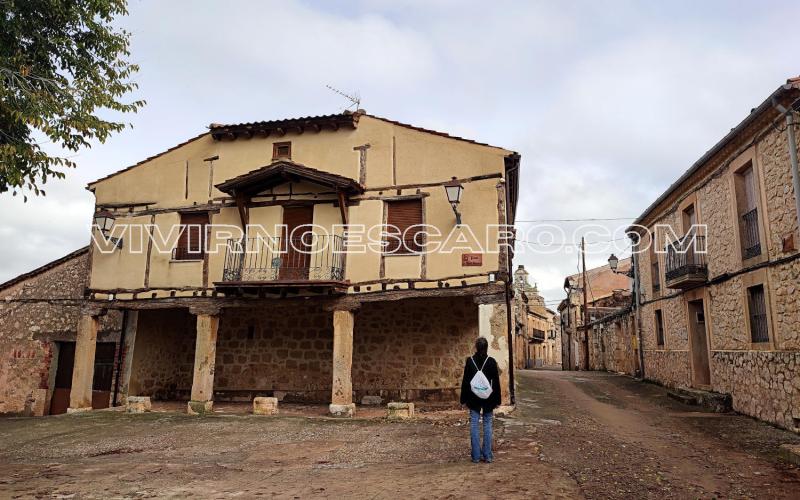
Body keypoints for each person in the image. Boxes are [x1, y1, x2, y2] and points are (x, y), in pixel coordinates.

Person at [460, 337, 501, 463]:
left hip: (473, 397)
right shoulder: (492, 362)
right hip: (488, 398)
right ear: (487, 347)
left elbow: (466, 382)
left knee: (474, 424)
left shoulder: (470, 361)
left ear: (476, 347)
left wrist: (463, 399)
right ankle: (487, 455)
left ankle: (476, 456)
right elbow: (496, 383)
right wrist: (497, 400)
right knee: (488, 423)